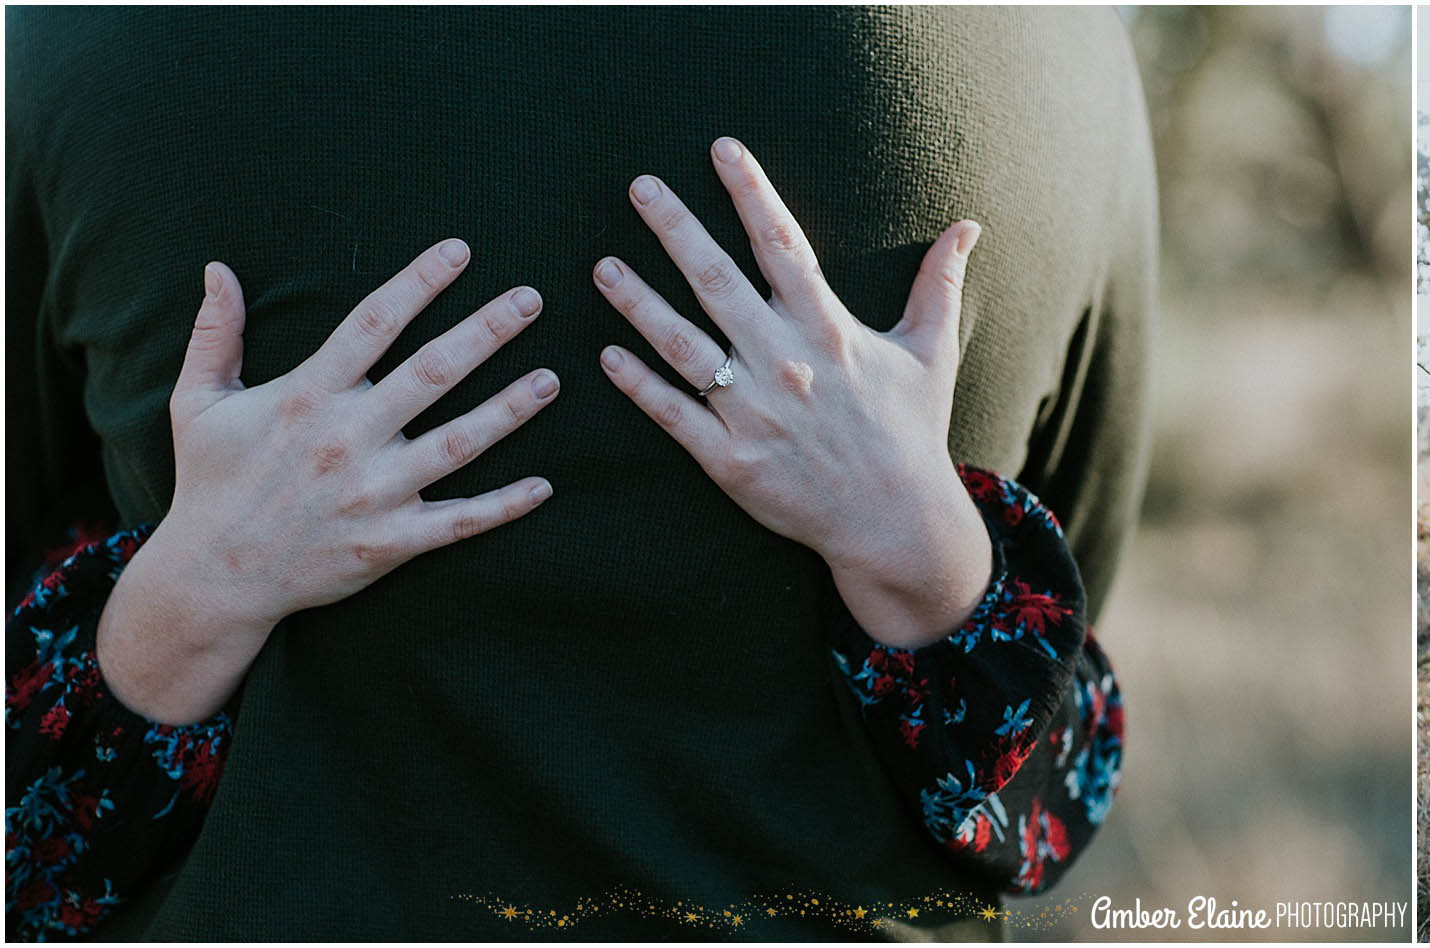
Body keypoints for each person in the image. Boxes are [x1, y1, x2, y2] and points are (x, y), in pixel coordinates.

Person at [6, 8, 1153, 939]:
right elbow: (1052, 786)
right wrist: (202, 587)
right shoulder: (1058, 45)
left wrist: (916, 545)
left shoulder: (76, 38)